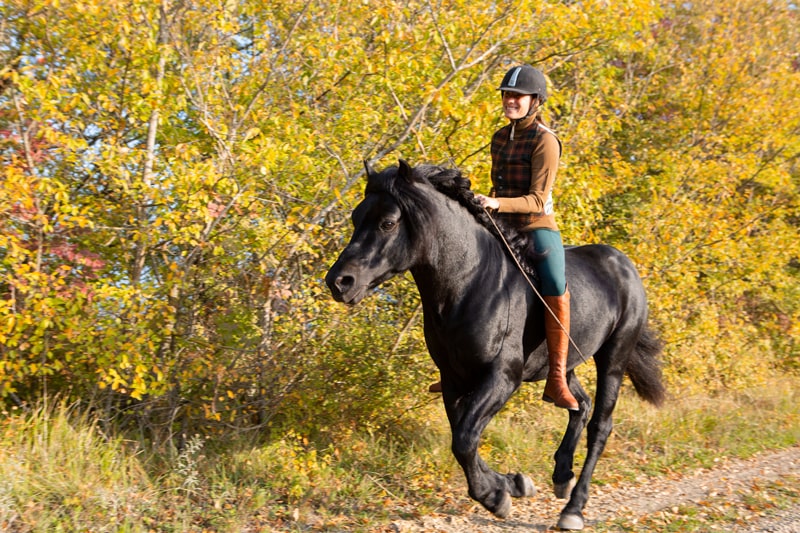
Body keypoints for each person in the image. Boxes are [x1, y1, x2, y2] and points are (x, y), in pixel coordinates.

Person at [429, 65, 578, 411]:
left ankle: (557, 377)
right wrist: (484, 204)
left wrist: (496, 202)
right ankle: (453, 366)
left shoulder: (546, 141)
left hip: (536, 226)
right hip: (499, 222)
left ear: (535, 101)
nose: (510, 101)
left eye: (517, 96)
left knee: (555, 281)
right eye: (506, 95)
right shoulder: (499, 137)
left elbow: (538, 199)